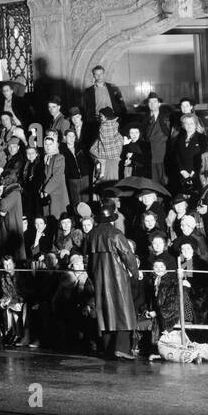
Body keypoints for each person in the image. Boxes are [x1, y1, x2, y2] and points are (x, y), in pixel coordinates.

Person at [83, 202, 140, 360]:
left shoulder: (91, 235)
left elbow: (86, 260)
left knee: (105, 312)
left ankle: (108, 348)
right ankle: (122, 348)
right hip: (118, 279)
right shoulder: (116, 234)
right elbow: (128, 255)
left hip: (99, 279)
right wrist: (135, 273)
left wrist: (93, 276)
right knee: (123, 311)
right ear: (112, 219)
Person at [142, 93, 171, 187]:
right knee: (153, 181)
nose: (152, 104)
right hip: (150, 154)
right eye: (150, 102)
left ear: (159, 104)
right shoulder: (145, 118)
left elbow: (170, 134)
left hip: (163, 152)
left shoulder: (166, 118)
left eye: (154, 102)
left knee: (164, 179)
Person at [90, 108, 124, 185]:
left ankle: (100, 174)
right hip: (114, 158)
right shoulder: (116, 125)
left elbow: (104, 141)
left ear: (106, 117)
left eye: (101, 116)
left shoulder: (104, 127)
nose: (100, 118)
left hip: (108, 160)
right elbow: (119, 140)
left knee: (107, 184)